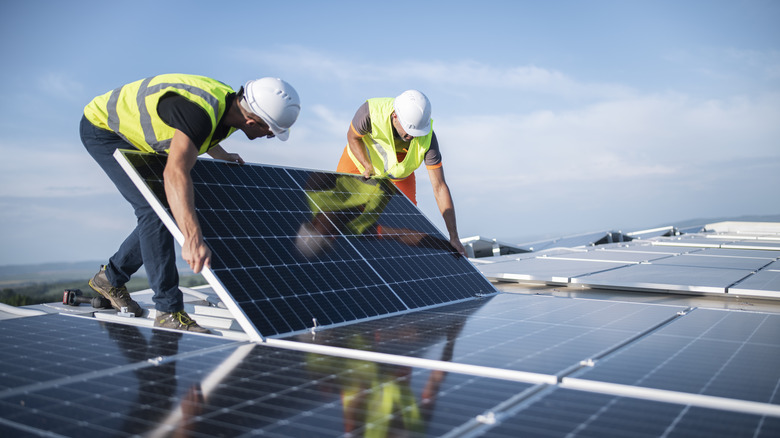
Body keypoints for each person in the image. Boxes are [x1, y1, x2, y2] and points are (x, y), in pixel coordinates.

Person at [80, 73, 300, 332]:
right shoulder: (200, 111)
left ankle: (110, 278)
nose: (271, 136)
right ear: (252, 120)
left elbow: (198, 132)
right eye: (270, 130)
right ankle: (168, 311)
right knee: (155, 210)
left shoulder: (232, 106)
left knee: (173, 208)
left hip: (137, 137)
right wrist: (192, 239)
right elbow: (175, 171)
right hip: (104, 129)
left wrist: (221, 154)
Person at [336, 90, 466, 256]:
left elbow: (439, 187)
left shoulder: (428, 139)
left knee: (406, 223)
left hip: (399, 174)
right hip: (359, 164)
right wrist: (367, 166)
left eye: (416, 132)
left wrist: (453, 236)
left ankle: (390, 263)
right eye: (408, 130)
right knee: (341, 216)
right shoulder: (370, 111)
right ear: (395, 116)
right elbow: (353, 137)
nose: (412, 136)